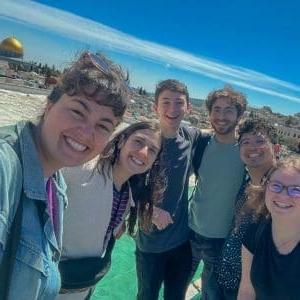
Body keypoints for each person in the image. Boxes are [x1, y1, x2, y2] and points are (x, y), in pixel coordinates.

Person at [0, 51, 129, 300]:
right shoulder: (6, 168)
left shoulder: (56, 185)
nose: (86, 132)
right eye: (78, 111)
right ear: (49, 105)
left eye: (103, 126)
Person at [57, 121, 164, 300]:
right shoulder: (80, 171)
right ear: (121, 140)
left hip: (79, 287)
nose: (143, 152)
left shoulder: (126, 193)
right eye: (138, 141)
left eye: (152, 150)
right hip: (44, 286)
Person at [134, 79, 202, 300]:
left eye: (179, 103)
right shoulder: (144, 142)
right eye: (165, 102)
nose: (172, 109)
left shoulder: (190, 136)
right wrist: (151, 210)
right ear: (155, 107)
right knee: (147, 296)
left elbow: (217, 135)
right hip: (150, 244)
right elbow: (124, 184)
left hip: (182, 243)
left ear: (188, 107)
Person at [189, 85, 247, 299]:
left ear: (239, 115)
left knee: (211, 294)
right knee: (174, 287)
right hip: (190, 232)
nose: (221, 116)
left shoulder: (246, 152)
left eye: (229, 110)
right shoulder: (201, 144)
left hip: (223, 241)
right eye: (216, 109)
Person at [216, 117, 277, 299]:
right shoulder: (245, 184)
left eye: (260, 141)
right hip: (224, 277)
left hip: (252, 290)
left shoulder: (282, 192)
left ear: (276, 148)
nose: (252, 147)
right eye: (245, 142)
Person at [238, 155, 300, 300]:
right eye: (276, 186)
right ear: (265, 188)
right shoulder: (255, 229)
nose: (283, 195)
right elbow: (246, 290)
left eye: (296, 190)